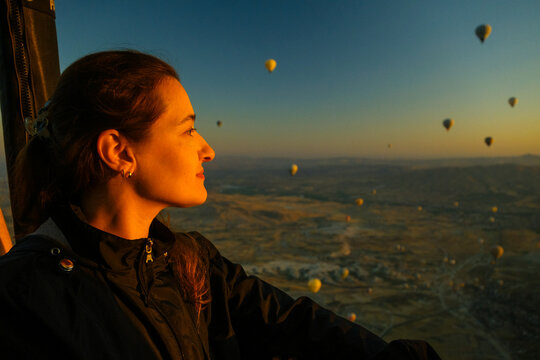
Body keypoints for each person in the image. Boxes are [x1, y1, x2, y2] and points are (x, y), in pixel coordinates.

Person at [0, 50, 441, 359]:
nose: (208, 149)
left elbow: (291, 322)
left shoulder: (187, 259)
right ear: (119, 151)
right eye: (188, 129)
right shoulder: (24, 297)